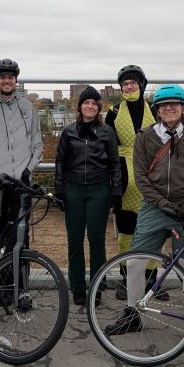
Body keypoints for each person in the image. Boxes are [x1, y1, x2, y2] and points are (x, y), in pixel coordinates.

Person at [103, 84, 184, 353]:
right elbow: (141, 177)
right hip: (154, 207)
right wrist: (160, 202)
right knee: (137, 261)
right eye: (163, 106)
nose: (169, 109)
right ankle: (132, 314)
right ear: (158, 110)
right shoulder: (145, 138)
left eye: (174, 104)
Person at [54, 86, 121, 305]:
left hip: (99, 190)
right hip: (73, 190)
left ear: (98, 108)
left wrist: (116, 191)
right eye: (86, 103)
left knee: (97, 240)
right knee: (74, 240)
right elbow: (60, 161)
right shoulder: (69, 132)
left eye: (94, 103)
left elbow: (114, 163)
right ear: (80, 107)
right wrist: (60, 189)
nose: (90, 106)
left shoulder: (107, 132)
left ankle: (98, 286)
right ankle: (78, 288)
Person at [0, 58, 43, 249]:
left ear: (16, 80)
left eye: (11, 77)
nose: (7, 81)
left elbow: (37, 144)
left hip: (21, 181)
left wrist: (28, 170)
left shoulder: (28, 107)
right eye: (2, 77)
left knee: (21, 233)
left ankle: (20, 278)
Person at [106, 65, 158, 299]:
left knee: (153, 231)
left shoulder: (156, 109)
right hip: (124, 176)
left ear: (141, 84)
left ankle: (151, 283)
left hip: (153, 173)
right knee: (126, 233)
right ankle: (127, 281)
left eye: (133, 83)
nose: (129, 87)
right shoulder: (114, 112)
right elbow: (107, 146)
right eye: (125, 84)